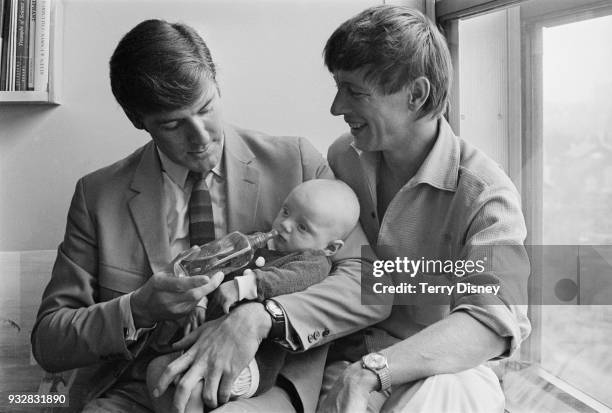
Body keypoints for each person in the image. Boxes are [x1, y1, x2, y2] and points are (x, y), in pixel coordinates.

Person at [30, 19, 389, 413]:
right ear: (139, 121)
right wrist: (136, 309)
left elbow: (373, 284)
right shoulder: (97, 196)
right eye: (172, 124)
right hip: (138, 392)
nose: (200, 136)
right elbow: (50, 341)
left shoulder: (296, 162)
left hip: (259, 386)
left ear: (217, 87)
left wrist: (262, 316)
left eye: (205, 108)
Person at [316, 5, 532, 412]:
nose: (336, 107)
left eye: (355, 91)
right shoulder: (342, 157)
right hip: (344, 363)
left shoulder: (486, 194)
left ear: (416, 95)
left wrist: (374, 370)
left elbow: (492, 322)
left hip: (440, 375)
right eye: (338, 86)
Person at [146, 179, 361, 412]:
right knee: (157, 371)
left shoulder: (313, 262)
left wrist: (245, 286)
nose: (285, 225)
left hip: (253, 361)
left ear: (330, 248)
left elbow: (287, 280)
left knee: (194, 390)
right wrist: (201, 301)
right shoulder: (254, 241)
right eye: (285, 211)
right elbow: (219, 270)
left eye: (302, 227)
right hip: (203, 344)